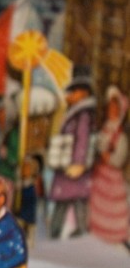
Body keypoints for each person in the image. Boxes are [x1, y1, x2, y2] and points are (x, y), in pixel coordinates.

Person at [48, 76, 97, 238]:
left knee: (75, 201)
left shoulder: (83, 115)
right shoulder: (74, 113)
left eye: (74, 92)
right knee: (69, 200)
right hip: (67, 166)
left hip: (74, 167)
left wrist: (78, 162)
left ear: (84, 93)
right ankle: (57, 232)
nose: (71, 95)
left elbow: (83, 138)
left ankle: (77, 232)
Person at [89, 86, 129, 247]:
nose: (111, 110)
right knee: (97, 206)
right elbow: (97, 146)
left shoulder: (120, 134)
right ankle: (97, 233)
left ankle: (114, 236)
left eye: (115, 108)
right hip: (100, 176)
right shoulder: (104, 129)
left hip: (112, 179)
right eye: (110, 107)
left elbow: (120, 156)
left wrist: (110, 158)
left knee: (112, 208)